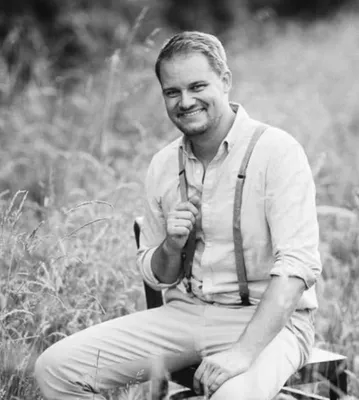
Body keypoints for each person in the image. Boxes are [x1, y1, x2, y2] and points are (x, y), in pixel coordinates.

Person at [35, 31, 322, 400]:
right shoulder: (163, 165)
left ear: (225, 81)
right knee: (56, 369)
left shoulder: (277, 152)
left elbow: (297, 267)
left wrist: (242, 353)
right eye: (172, 92)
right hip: (184, 317)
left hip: (268, 324)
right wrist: (171, 246)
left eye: (197, 86)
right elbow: (157, 276)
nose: (185, 101)